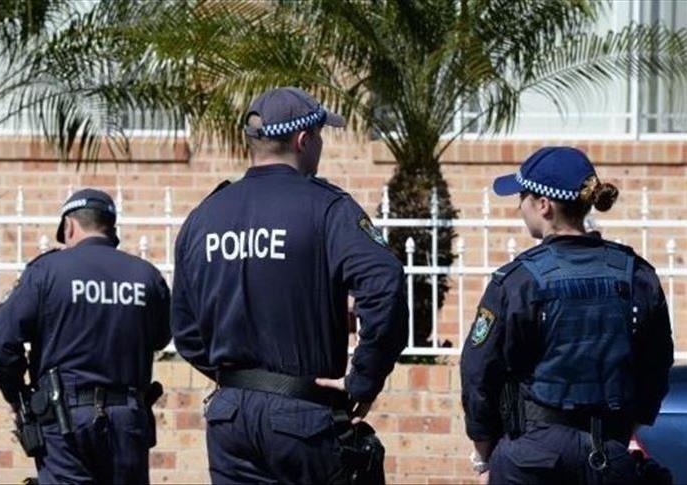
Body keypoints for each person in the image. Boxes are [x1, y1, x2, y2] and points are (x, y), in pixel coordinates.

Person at [171, 87, 408, 483]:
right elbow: (385, 286)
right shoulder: (327, 207)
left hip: (230, 419)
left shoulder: (204, 216)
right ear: (303, 140)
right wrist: (364, 380)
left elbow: (185, 329)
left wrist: (242, 382)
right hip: (303, 417)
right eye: (320, 136)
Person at [460, 147, 674, 484]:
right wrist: (624, 431)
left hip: (531, 459)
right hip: (609, 456)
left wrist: (483, 453)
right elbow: (657, 364)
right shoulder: (636, 275)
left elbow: (479, 370)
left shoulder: (518, 281)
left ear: (543, 205)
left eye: (522, 197)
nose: (520, 207)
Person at [0, 188, 171, 484]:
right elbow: (162, 337)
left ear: (69, 226)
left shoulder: (46, 272)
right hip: (127, 419)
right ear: (111, 228)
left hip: (65, 421)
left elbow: (4, 337)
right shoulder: (146, 276)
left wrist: (17, 396)